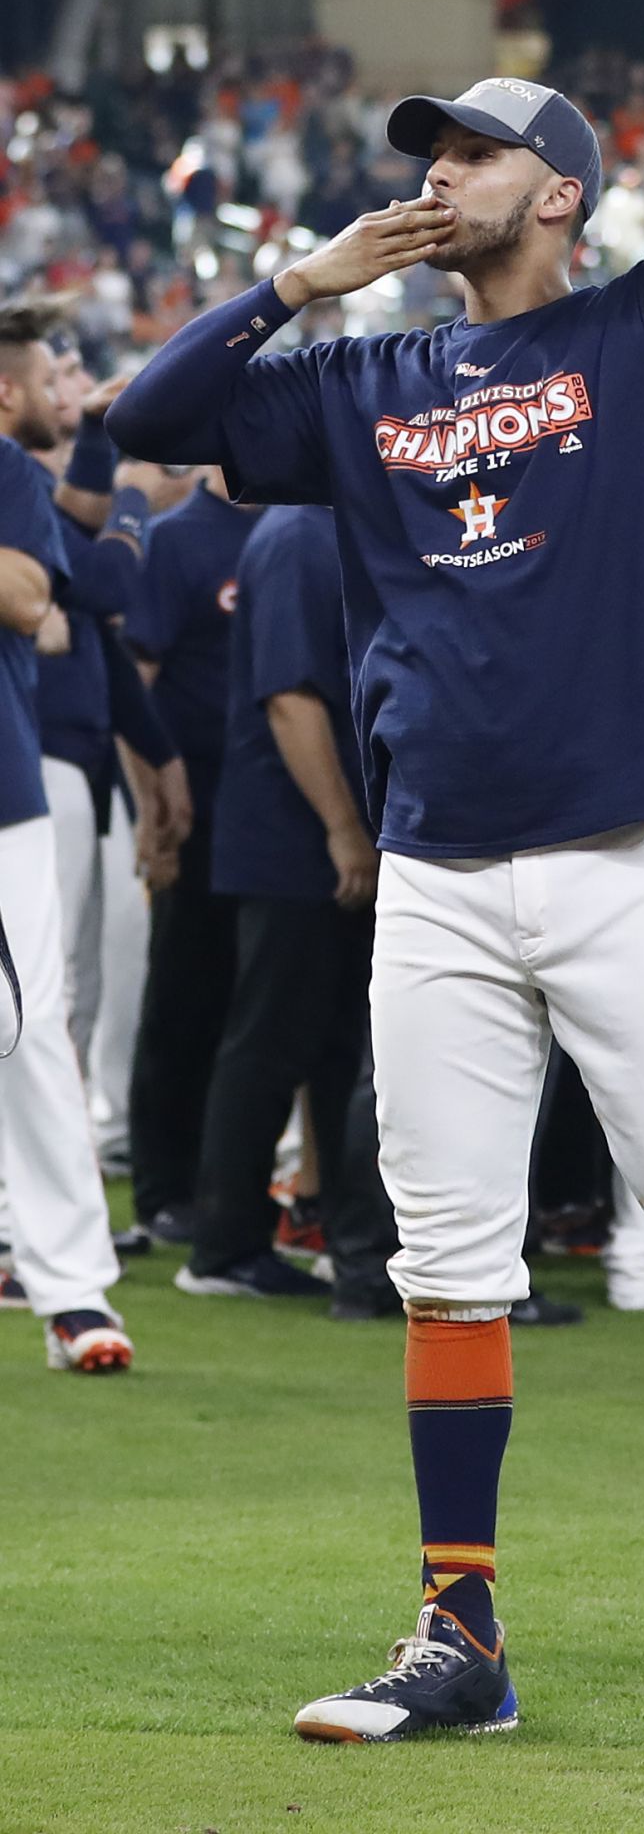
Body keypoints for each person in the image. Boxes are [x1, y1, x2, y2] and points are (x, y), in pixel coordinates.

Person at [111, 0, 644, 1729]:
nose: (435, 171)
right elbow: (155, 425)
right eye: (427, 148)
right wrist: (297, 283)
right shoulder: (370, 371)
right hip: (433, 866)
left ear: (551, 188)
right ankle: (459, 1631)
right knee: (446, 1251)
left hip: (625, 853)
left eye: (469, 150)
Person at [173, 503, 396, 1314]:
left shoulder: (318, 529)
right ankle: (225, 1244)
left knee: (334, 1046)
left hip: (307, 834)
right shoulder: (300, 536)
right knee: (269, 1043)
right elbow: (292, 700)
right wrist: (344, 830)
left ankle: (341, 1234)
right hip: (292, 836)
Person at [0, 309, 133, 1370]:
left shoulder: (7, 468)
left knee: (31, 1027)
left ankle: (72, 1289)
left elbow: (33, 595)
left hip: (7, 796)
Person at [118, 465, 259, 1251]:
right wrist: (151, 811)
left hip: (274, 813)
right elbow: (134, 677)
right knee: (183, 999)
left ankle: (225, 1187)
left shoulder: (303, 525)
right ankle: (163, 1190)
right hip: (197, 806)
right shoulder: (176, 541)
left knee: (257, 1012)